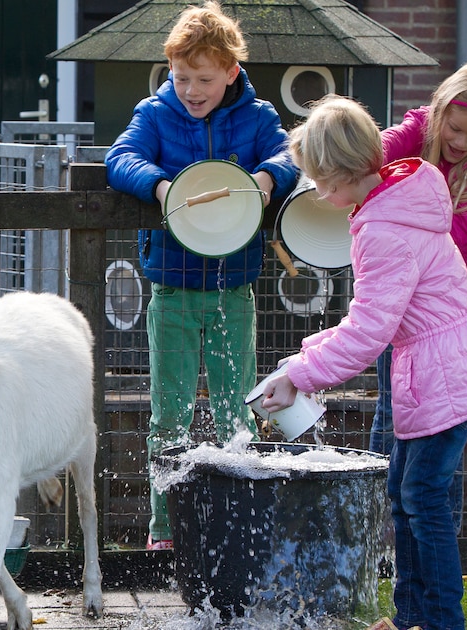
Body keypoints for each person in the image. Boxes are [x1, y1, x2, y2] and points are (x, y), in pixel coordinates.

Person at [264, 95, 467, 630]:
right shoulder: (404, 191)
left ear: (339, 176)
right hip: (439, 371)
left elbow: (370, 331)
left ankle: (442, 621)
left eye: (317, 181)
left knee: (423, 501)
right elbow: (372, 318)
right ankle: (410, 618)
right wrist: (302, 359)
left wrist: (300, 377)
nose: (315, 191)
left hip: (444, 377)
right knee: (406, 496)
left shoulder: (382, 231)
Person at [104, 0, 299, 551]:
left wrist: (267, 178)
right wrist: (162, 187)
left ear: (231, 73)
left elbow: (291, 154)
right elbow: (122, 159)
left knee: (237, 408)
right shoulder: (155, 114)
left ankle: (237, 522)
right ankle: (164, 528)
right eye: (181, 76)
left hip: (234, 288)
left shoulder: (258, 118)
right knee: (170, 412)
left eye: (204, 79)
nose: (191, 89)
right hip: (173, 287)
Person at [370, 62, 467, 533]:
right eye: (455, 128)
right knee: (390, 418)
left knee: (439, 429)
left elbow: (449, 234)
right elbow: (372, 153)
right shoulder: (413, 133)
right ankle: (384, 540)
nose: (461, 143)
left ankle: (435, 535)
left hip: (439, 314)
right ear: (439, 112)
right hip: (395, 305)